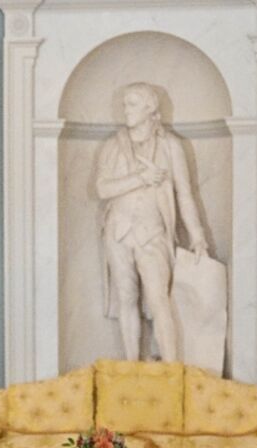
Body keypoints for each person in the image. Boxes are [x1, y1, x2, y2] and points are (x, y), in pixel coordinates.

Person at [95, 81, 210, 363]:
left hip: (153, 233)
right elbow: (102, 189)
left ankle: (172, 371)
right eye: (124, 104)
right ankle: (132, 366)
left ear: (150, 108)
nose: (125, 110)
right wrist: (139, 179)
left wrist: (197, 234)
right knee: (126, 299)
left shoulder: (170, 147)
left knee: (160, 301)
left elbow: (185, 194)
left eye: (132, 104)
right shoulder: (113, 146)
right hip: (118, 232)